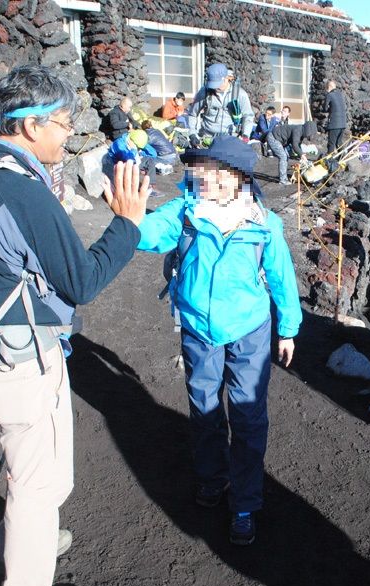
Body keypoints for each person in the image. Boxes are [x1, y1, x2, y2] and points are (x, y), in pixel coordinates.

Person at [0, 65, 147, 586]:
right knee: (38, 483)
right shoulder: (21, 190)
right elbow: (81, 281)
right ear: (28, 125)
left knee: (32, 472)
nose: (70, 134)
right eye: (64, 124)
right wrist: (126, 224)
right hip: (21, 353)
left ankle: (31, 540)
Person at [134, 136, 301, 546]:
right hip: (198, 328)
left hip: (249, 330)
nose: (196, 175)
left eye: (205, 168)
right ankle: (212, 478)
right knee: (204, 408)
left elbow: (282, 277)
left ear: (232, 177)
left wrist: (288, 328)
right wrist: (130, 218)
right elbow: (149, 234)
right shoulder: (186, 212)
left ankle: (244, 502)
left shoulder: (263, 224)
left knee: (247, 416)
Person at [186, 63, 254, 145]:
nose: (214, 87)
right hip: (207, 139)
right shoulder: (204, 92)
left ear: (226, 78)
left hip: (230, 139)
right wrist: (192, 134)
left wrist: (245, 135)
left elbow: (248, 116)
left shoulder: (240, 94)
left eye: (217, 84)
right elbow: (192, 114)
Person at [268, 120, 317, 185]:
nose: (309, 136)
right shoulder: (297, 130)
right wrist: (301, 154)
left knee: (286, 157)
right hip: (274, 138)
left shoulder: (301, 131)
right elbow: (294, 145)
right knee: (283, 157)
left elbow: (298, 144)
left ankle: (283, 177)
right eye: (310, 135)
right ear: (308, 131)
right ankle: (283, 180)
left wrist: (301, 155)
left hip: (280, 140)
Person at [323, 79, 348, 154]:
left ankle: (329, 161)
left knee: (331, 143)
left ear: (328, 87)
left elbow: (325, 108)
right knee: (339, 143)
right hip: (343, 123)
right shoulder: (340, 94)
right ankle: (342, 158)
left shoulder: (329, 95)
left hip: (334, 123)